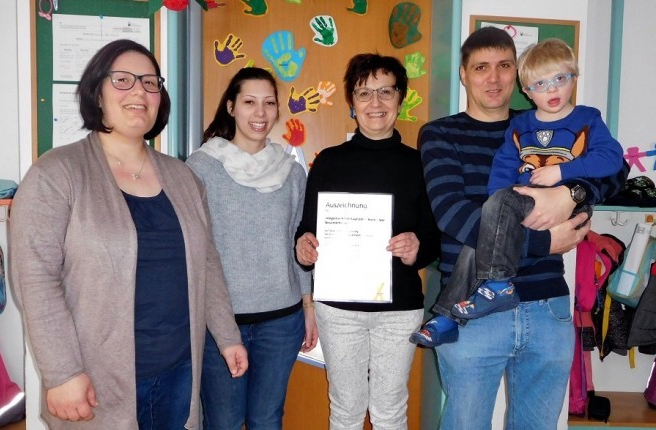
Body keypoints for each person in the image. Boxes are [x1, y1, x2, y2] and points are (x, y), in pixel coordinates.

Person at [9, 39, 247, 430]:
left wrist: (227, 335)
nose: (139, 91)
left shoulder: (184, 178)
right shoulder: (56, 173)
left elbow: (207, 263)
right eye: (122, 80)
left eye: (150, 82)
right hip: (96, 378)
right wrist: (62, 372)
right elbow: (35, 279)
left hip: (180, 370)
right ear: (97, 93)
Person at [417, 27, 628, 430]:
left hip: (546, 307)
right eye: (481, 67)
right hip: (473, 307)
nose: (494, 78)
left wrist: (571, 192)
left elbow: (618, 170)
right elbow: (454, 215)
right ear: (463, 74)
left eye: (504, 66)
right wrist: (543, 242)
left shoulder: (545, 119)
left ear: (518, 74)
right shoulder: (440, 134)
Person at [294, 53, 440, 429]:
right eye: (364, 93)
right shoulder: (328, 162)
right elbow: (306, 230)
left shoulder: (420, 165)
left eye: (386, 91)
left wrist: (417, 248)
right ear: (352, 103)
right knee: (345, 410)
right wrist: (304, 247)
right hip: (338, 309)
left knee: (390, 411)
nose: (375, 102)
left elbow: (435, 238)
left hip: (398, 309)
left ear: (400, 98)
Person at [186, 67, 318, 430]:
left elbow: (298, 244)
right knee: (224, 422)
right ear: (231, 107)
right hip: (220, 323)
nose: (260, 113)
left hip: (282, 321)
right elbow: (194, 250)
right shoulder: (201, 167)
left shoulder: (292, 172)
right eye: (249, 102)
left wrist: (308, 307)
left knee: (266, 419)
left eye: (269, 103)